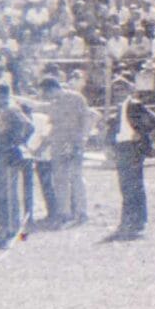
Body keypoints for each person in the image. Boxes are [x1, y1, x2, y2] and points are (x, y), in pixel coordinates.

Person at [106, 77, 155, 239]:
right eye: (116, 90)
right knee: (126, 185)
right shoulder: (118, 108)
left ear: (129, 90)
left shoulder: (135, 105)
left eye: (121, 89)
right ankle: (133, 219)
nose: (118, 93)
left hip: (133, 147)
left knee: (132, 185)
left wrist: (141, 133)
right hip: (122, 148)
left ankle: (133, 220)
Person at [39, 75, 92, 226]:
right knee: (60, 179)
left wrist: (83, 138)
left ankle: (82, 212)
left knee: (76, 177)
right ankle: (65, 213)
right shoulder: (54, 103)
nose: (46, 97)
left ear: (52, 89)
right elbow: (53, 126)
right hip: (58, 144)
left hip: (75, 142)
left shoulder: (76, 98)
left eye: (46, 93)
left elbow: (87, 118)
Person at [0, 82, 32, 247]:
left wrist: (16, 143)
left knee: (9, 194)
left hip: (10, 154)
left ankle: (14, 230)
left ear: (3, 94)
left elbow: (29, 126)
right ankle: (4, 226)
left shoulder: (12, 109)